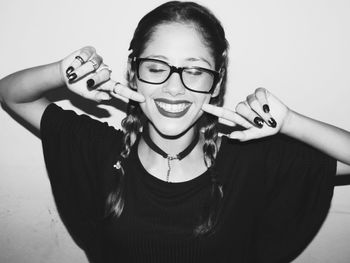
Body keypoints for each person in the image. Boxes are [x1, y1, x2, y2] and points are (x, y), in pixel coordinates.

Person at [1, 1, 350, 262]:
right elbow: (12, 94)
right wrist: (62, 72)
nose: (174, 88)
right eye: (156, 68)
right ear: (133, 73)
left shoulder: (249, 160)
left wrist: (290, 122)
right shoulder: (99, 149)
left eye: (194, 71)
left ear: (217, 82)